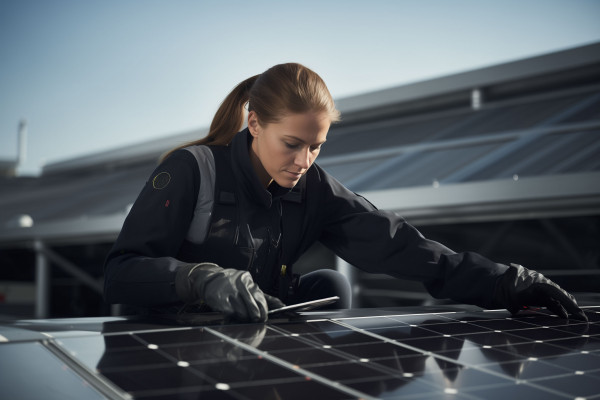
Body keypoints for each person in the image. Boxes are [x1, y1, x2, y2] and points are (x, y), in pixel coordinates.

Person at [103, 63, 587, 323]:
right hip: (176, 334)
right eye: (291, 145)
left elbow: (398, 244)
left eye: (316, 147)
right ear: (254, 124)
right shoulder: (191, 170)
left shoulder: (313, 189)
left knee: (329, 289)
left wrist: (505, 281)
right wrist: (199, 279)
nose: (304, 162)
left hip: (256, 337)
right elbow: (120, 274)